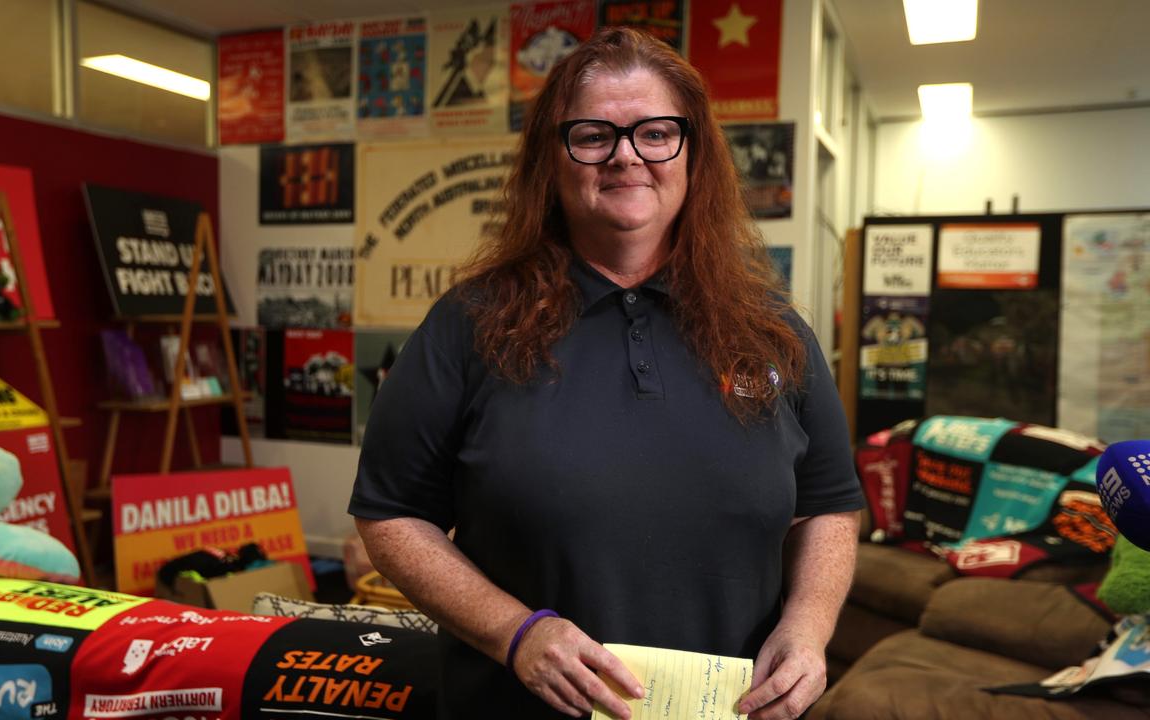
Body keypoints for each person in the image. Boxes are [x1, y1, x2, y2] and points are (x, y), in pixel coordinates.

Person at [350, 27, 863, 720]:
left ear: (693, 154)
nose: (627, 156)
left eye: (656, 133)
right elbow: (391, 516)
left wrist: (808, 629)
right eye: (593, 135)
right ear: (551, 161)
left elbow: (827, 505)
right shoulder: (470, 323)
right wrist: (516, 632)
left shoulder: (770, 329)